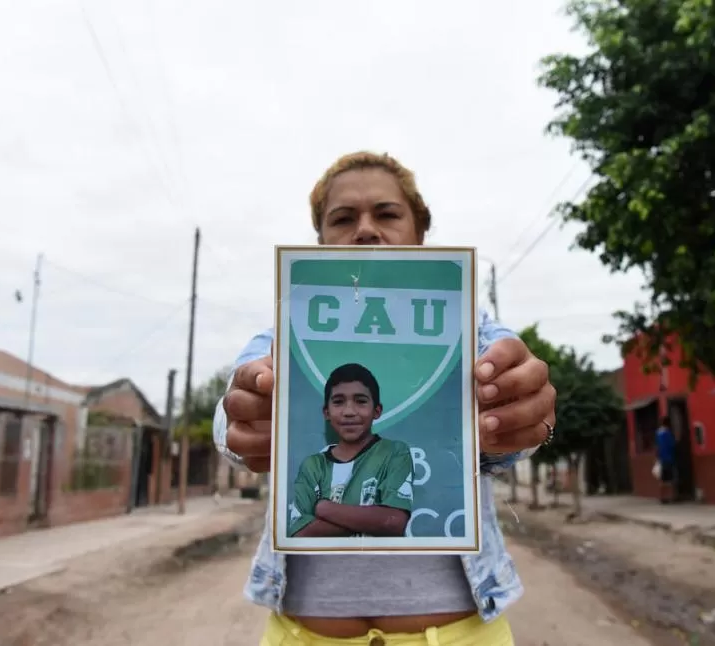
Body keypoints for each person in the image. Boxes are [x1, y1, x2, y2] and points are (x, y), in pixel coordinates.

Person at [216, 151, 557, 646]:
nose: (367, 230)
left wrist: (521, 415)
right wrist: (244, 423)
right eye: (344, 218)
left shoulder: (473, 328)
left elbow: (514, 405)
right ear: (320, 243)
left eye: (388, 213)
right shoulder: (284, 335)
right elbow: (230, 409)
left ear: (420, 234)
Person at [289, 363, 414, 539]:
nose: (349, 411)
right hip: (325, 566)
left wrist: (324, 508)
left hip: (382, 565)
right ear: (326, 412)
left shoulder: (394, 453)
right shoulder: (313, 466)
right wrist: (371, 519)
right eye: (338, 402)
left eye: (361, 401)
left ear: (376, 411)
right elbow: (300, 533)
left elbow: (394, 522)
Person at [656, 416, 676, 504]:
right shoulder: (667, 433)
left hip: (661, 459)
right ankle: (671, 497)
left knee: (662, 480)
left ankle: (662, 497)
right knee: (670, 479)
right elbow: (672, 445)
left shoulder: (658, 433)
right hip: (669, 458)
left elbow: (658, 447)